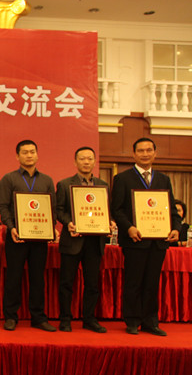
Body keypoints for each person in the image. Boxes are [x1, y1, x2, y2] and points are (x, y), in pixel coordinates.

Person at [111, 137, 181, 336]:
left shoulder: (163, 179)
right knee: (134, 282)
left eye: (149, 150)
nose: (145, 154)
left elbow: (172, 210)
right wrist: (129, 228)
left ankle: (150, 321)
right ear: (134, 154)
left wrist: (176, 229)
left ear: (155, 153)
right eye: (141, 150)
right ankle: (132, 320)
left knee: (152, 283)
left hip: (158, 241)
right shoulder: (123, 178)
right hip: (135, 240)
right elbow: (116, 209)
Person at [0, 139, 57, 332]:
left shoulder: (46, 180)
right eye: (25, 152)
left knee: (38, 278)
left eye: (32, 151)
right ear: (17, 156)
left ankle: (38, 317)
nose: (29, 155)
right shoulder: (9, 179)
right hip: (16, 236)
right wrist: (11, 228)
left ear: (37, 155)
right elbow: (3, 207)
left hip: (40, 237)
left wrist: (51, 227)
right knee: (13, 277)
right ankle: (10, 317)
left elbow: (52, 208)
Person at [55, 147, 112, 333]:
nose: (86, 162)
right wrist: (69, 223)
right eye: (82, 158)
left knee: (92, 284)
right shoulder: (64, 184)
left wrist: (109, 222)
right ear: (75, 162)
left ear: (94, 161)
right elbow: (59, 210)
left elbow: (106, 210)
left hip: (95, 242)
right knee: (66, 283)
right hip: (72, 240)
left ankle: (89, 319)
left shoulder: (103, 185)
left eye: (89, 158)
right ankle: (65, 319)